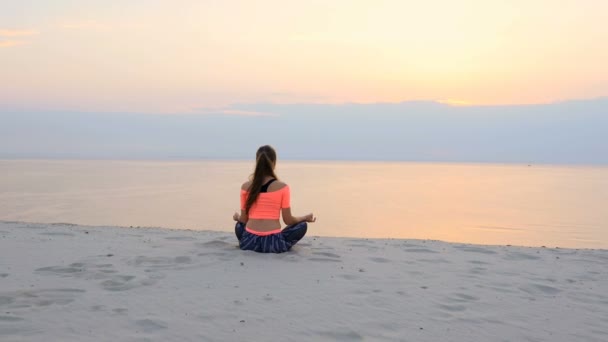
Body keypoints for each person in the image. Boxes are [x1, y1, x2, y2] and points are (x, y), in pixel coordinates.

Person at [232, 145, 316, 253]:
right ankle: (283, 244)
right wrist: (304, 218)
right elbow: (288, 220)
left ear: (257, 162)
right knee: (302, 225)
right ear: (274, 162)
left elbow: (243, 220)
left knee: (239, 225)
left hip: (249, 243)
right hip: (273, 244)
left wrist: (237, 217)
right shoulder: (283, 187)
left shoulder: (245, 187)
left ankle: (248, 242)